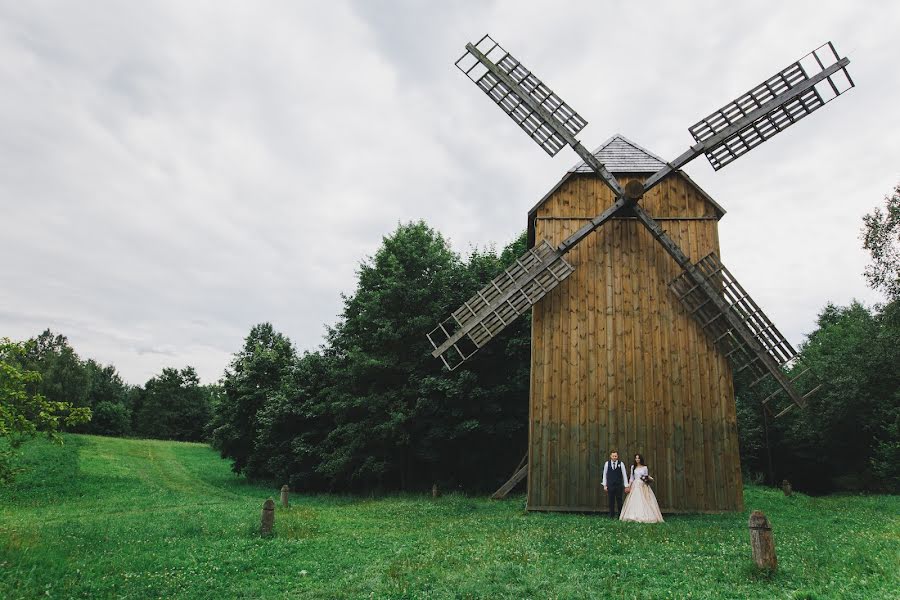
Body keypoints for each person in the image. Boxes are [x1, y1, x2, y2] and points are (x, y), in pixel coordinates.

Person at [619, 453, 664, 523]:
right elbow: (631, 478)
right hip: (635, 485)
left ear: (641, 459)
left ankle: (646, 515)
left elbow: (646, 477)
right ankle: (632, 515)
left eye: (638, 458)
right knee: (634, 500)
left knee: (645, 500)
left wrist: (648, 480)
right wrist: (628, 486)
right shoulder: (633, 467)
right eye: (636, 458)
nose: (637, 459)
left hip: (643, 485)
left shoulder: (644, 467)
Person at [602, 450, 629, 518]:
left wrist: (626, 485)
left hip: (618, 485)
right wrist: (605, 485)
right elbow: (604, 474)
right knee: (611, 500)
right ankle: (611, 515)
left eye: (615, 456)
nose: (614, 457)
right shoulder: (607, 464)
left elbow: (624, 475)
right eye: (613, 456)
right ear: (611, 456)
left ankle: (620, 514)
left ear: (617, 456)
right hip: (610, 485)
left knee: (619, 500)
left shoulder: (621, 464)